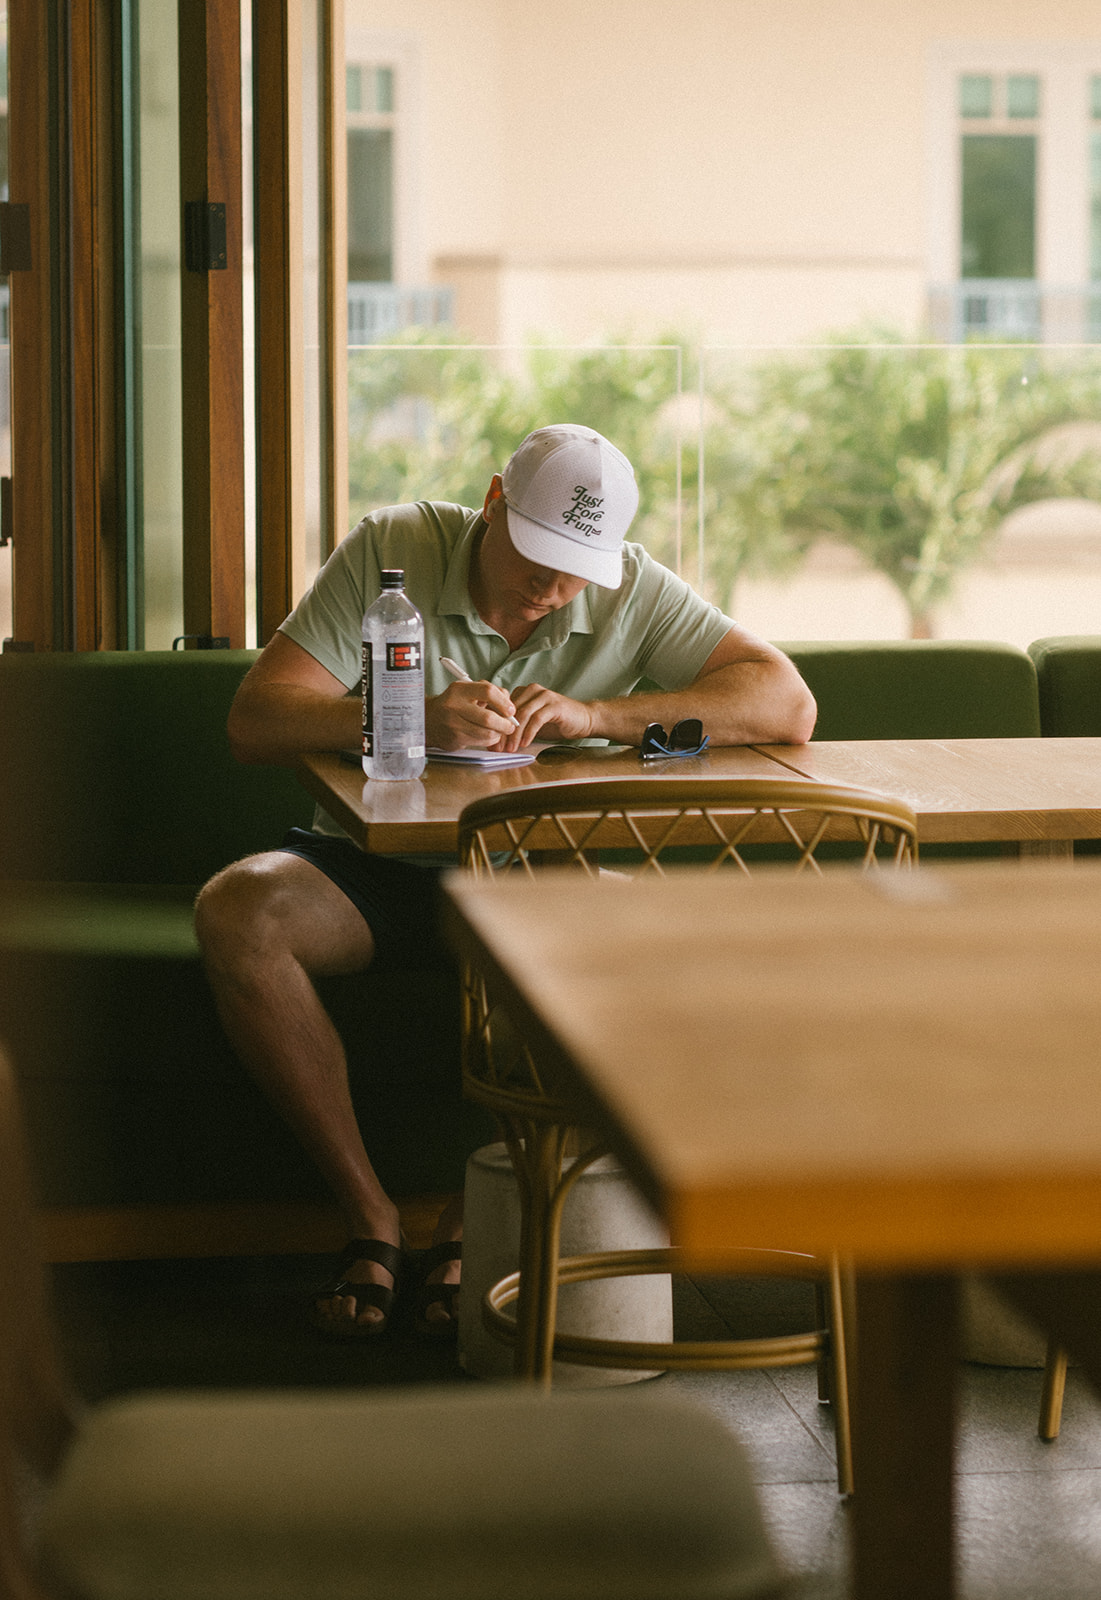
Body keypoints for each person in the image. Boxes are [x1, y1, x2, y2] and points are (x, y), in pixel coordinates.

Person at [194, 423, 817, 1339]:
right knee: (238, 912)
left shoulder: (629, 587)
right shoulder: (395, 547)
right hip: (376, 869)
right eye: (537, 557)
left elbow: (783, 703)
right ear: (492, 501)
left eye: (577, 568)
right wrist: (396, 713)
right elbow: (255, 720)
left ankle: (468, 1220)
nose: (554, 588)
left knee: (644, 940)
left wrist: (595, 713)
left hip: (538, 879)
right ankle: (370, 1215)